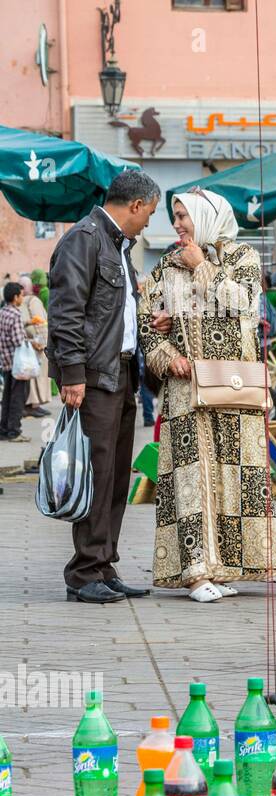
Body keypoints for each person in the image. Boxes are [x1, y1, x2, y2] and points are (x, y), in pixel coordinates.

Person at [137, 188, 276, 603]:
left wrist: (201, 267)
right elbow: (148, 327)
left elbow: (243, 306)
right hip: (186, 391)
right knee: (191, 480)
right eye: (176, 216)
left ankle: (222, 566)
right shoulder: (166, 265)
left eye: (185, 215)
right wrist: (168, 356)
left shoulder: (241, 258)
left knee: (232, 479)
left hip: (233, 387)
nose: (179, 224)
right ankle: (195, 572)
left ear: (207, 216)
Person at [47, 169, 160, 604]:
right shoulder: (85, 238)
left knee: (113, 478)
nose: (148, 222)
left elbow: (113, 314)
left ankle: (103, 564)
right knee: (96, 475)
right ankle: (84, 572)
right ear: (134, 206)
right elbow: (67, 310)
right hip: (95, 378)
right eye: (148, 214)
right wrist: (72, 373)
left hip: (121, 374)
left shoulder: (115, 245)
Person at [19, 275, 51, 416]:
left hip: (32, 343)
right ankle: (32, 405)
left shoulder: (24, 301)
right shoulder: (31, 301)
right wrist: (38, 341)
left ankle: (34, 404)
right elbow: (35, 324)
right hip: (35, 344)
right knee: (35, 376)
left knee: (36, 376)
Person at [0, 283, 28, 441]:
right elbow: (19, 341)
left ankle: (3, 429)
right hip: (18, 364)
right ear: (15, 297)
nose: (22, 298)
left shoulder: (2, 312)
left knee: (7, 397)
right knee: (17, 398)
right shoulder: (16, 314)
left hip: (5, 361)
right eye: (21, 295)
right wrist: (32, 343)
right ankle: (14, 431)